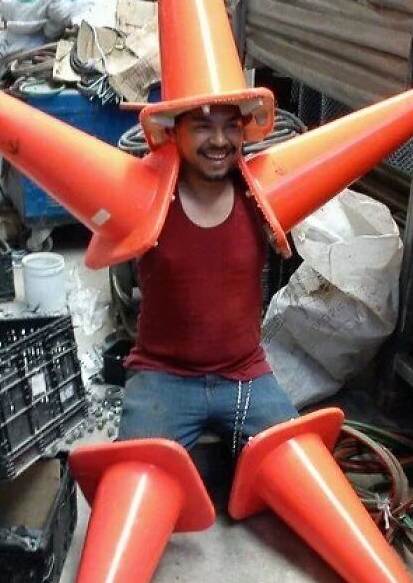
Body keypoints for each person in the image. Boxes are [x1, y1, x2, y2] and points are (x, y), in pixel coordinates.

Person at [117, 102, 298, 457]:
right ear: (174, 132)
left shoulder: (261, 197)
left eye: (231, 126)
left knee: (298, 467)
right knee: (133, 479)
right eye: (202, 126)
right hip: (162, 376)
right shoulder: (145, 197)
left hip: (244, 375)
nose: (219, 140)